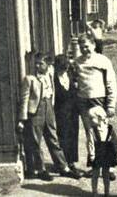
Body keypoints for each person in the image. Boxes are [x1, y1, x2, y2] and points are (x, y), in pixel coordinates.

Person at [17, 53, 81, 181]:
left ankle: (64, 167)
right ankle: (41, 169)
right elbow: (24, 100)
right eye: (36, 63)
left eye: (40, 63)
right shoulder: (29, 79)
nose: (37, 65)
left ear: (47, 65)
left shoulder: (50, 75)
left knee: (53, 138)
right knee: (36, 141)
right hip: (35, 111)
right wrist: (22, 119)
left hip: (49, 109)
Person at [73, 34, 117, 180]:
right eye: (81, 47)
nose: (84, 49)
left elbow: (111, 83)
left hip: (99, 100)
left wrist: (111, 105)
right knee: (89, 134)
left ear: (93, 45)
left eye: (86, 46)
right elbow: (74, 80)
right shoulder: (77, 62)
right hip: (83, 101)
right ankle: (94, 165)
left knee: (103, 133)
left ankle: (109, 167)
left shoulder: (102, 60)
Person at [53, 54, 80, 174]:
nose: (64, 70)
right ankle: (62, 163)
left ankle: (71, 162)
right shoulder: (53, 79)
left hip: (73, 111)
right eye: (61, 68)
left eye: (66, 68)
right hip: (61, 112)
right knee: (63, 136)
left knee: (73, 135)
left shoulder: (71, 75)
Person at [88, 106, 117, 197]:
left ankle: (107, 193)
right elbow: (90, 143)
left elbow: (114, 142)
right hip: (96, 153)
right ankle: (94, 192)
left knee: (106, 174)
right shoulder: (92, 130)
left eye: (91, 118)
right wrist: (92, 154)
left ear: (100, 118)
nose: (89, 121)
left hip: (107, 153)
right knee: (95, 174)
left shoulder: (109, 129)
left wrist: (115, 152)